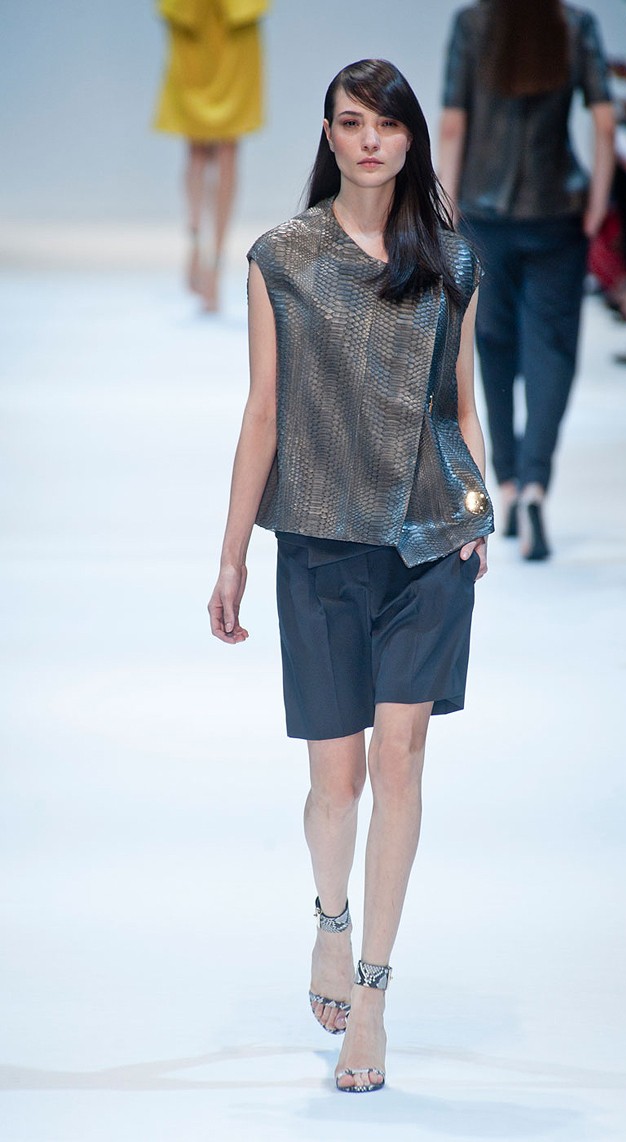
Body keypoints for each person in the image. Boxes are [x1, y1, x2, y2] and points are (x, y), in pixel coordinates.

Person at [207, 59, 493, 1093]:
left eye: (387, 124)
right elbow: (262, 411)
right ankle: (330, 918)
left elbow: (460, 404)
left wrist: (478, 509)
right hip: (321, 542)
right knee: (336, 784)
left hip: (427, 541)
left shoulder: (451, 259)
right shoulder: (282, 257)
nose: (370, 141)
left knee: (400, 762)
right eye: (351, 122)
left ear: (411, 138)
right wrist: (233, 553)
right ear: (328, 136)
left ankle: (371, 994)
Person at [439, 0, 615, 559]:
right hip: (557, 209)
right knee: (552, 348)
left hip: (485, 212)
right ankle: (537, 485)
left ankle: (509, 482)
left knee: (493, 344)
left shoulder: (473, 24)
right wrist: (600, 201)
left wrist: (446, 208)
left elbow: (452, 123)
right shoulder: (576, 25)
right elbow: (605, 122)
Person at [154, 0, 269, 312]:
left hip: (232, 17)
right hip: (199, 16)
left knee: (217, 146)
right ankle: (202, 252)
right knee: (201, 145)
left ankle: (210, 260)